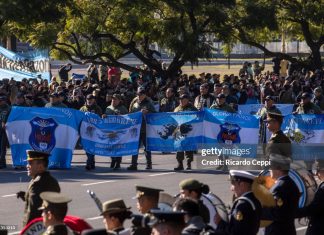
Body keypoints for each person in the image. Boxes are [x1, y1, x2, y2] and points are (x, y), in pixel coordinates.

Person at [16, 150, 60, 227]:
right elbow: (42, 200)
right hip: (50, 224)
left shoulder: (37, 183)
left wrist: (26, 230)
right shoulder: (51, 180)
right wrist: (27, 196)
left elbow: (33, 211)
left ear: (40, 166)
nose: (27, 166)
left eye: (30, 163)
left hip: (37, 228)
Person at [261, 153, 300, 235]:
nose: (269, 169)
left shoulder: (279, 187)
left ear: (278, 168)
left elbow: (276, 213)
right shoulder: (291, 183)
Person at [214, 170, 262, 235]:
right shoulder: (255, 200)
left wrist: (220, 223)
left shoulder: (242, 204)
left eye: (233, 184)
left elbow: (236, 232)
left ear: (242, 185)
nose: (231, 189)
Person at [127, 87, 156, 170]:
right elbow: (130, 113)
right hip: (136, 128)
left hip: (145, 128)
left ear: (145, 95)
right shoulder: (134, 102)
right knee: (135, 147)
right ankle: (134, 164)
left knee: (146, 148)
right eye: (138, 94)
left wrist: (147, 112)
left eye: (141, 94)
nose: (139, 96)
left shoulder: (148, 103)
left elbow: (155, 114)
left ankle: (149, 164)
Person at [295, 159, 324, 235]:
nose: (316, 174)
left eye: (317, 171)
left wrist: (296, 212)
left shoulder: (323, 188)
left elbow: (314, 208)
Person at [104, 93, 128, 170]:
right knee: (110, 146)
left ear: (119, 100)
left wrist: (121, 116)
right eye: (112, 99)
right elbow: (105, 118)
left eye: (115, 99)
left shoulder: (123, 108)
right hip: (110, 130)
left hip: (119, 131)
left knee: (118, 147)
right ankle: (113, 160)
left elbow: (127, 118)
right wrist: (103, 116)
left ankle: (118, 162)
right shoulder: (108, 108)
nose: (113, 100)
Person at [173, 94, 197, 171]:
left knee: (188, 148)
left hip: (189, 131)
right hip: (179, 131)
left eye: (183, 99)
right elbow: (174, 120)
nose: (181, 101)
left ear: (187, 100)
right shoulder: (177, 109)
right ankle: (180, 164)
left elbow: (197, 118)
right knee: (179, 148)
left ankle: (188, 163)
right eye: (180, 99)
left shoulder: (192, 108)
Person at [80, 94, 103, 170]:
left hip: (94, 132)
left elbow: (100, 119)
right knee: (87, 148)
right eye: (88, 99)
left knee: (92, 147)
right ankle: (92, 162)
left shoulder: (97, 108)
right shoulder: (82, 109)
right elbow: (78, 118)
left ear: (94, 100)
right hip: (84, 132)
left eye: (91, 99)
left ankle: (89, 163)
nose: (89, 100)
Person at [0, 95, 11, 169]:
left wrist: (4, 122)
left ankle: (2, 163)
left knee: (2, 147)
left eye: (2, 100)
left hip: (4, 131)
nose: (0, 102)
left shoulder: (9, 108)